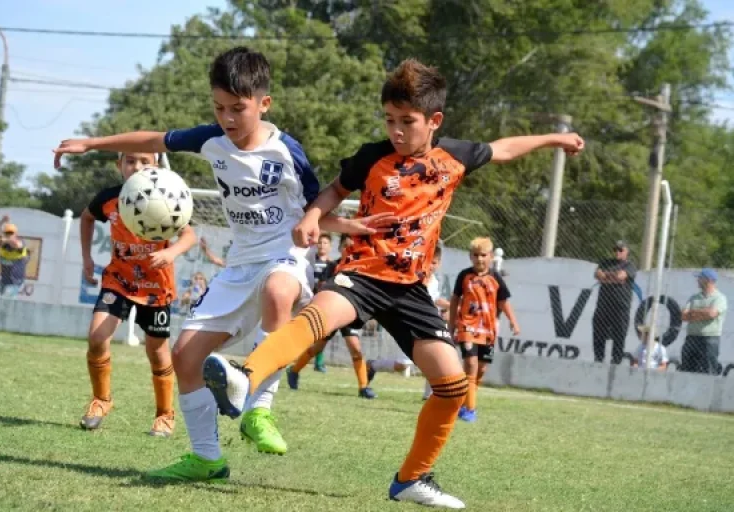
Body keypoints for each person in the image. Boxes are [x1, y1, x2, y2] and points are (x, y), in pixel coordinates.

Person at [202, 58, 583, 507]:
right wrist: (310, 215)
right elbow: (332, 192)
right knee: (317, 319)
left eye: (407, 122)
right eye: (389, 120)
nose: (397, 130)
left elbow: (504, 148)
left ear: (434, 121)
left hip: (412, 290)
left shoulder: (454, 157)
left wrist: (555, 139)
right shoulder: (373, 155)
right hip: (363, 273)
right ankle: (244, 378)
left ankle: (413, 478)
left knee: (452, 384)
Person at [53, 46, 385, 480]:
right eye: (219, 108)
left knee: (278, 290)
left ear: (263, 103)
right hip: (240, 262)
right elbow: (153, 139)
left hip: (286, 252)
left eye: (237, 109)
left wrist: (345, 226)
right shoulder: (211, 140)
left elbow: (311, 209)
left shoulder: (287, 152)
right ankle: (208, 458)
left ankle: (259, 411)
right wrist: (93, 144)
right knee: (184, 356)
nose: (227, 118)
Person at [74, 151, 197, 436]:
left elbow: (188, 235)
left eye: (144, 161)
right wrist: (87, 258)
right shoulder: (110, 198)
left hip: (156, 286)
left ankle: (165, 415)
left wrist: (171, 252)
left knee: (156, 351)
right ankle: (101, 400)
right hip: (118, 280)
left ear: (156, 165)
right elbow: (86, 218)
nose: (137, 166)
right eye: (130, 161)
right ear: (119, 166)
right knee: (96, 337)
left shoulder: (167, 193)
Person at [287, 233, 377, 398]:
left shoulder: (360, 268)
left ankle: (363, 387)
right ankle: (293, 370)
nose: (349, 250)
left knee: (356, 349)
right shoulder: (332, 266)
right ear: (340, 248)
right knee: (317, 347)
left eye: (352, 247)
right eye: (345, 247)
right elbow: (323, 287)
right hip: (332, 312)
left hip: (350, 313)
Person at [450, 237, 519, 423]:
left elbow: (503, 301)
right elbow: (455, 299)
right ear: (470, 256)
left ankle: (465, 402)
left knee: (481, 369)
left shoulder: (495, 277)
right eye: (475, 255)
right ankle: (470, 410)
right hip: (467, 326)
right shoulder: (464, 276)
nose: (479, 259)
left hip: (488, 330)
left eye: (483, 255)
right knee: (470, 365)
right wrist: (451, 323)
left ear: (490, 256)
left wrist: (513, 321)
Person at [368, 245, 448, 397]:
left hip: (427, 326)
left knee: (434, 356)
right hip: (409, 325)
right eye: (429, 261)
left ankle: (428, 395)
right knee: (403, 365)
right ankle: (373, 365)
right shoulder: (414, 278)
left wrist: (449, 306)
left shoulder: (435, 281)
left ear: (439, 263)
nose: (431, 266)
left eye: (435, 262)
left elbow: (434, 299)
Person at [592, 240, 637, 364]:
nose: (617, 252)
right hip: (603, 305)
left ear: (627, 251)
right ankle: (598, 360)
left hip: (620, 307)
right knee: (598, 333)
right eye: (615, 250)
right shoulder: (605, 262)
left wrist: (606, 277)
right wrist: (613, 278)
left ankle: (616, 361)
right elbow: (597, 275)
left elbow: (621, 276)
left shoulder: (630, 265)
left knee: (619, 335)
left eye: (620, 250)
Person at [680, 268, 727, 374]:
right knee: (686, 370)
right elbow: (684, 316)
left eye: (700, 278)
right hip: (691, 338)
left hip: (709, 339)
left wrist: (692, 314)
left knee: (708, 371)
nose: (697, 280)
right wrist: (704, 313)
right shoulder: (694, 297)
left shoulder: (719, 298)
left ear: (708, 280)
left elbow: (711, 314)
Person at [310, 232, 333, 373]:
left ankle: (318, 362)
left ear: (330, 246)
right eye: (320, 242)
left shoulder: (332, 264)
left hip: (323, 300)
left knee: (321, 332)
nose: (322, 245)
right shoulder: (310, 260)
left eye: (325, 243)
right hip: (308, 298)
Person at [0, 216, 29, 298]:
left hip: (16, 281)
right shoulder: (3, 244)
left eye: (11, 233)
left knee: (7, 298)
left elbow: (16, 244)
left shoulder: (20, 243)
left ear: (16, 234)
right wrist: (2, 221)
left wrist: (5, 238)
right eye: (7, 233)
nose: (9, 235)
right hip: (4, 281)